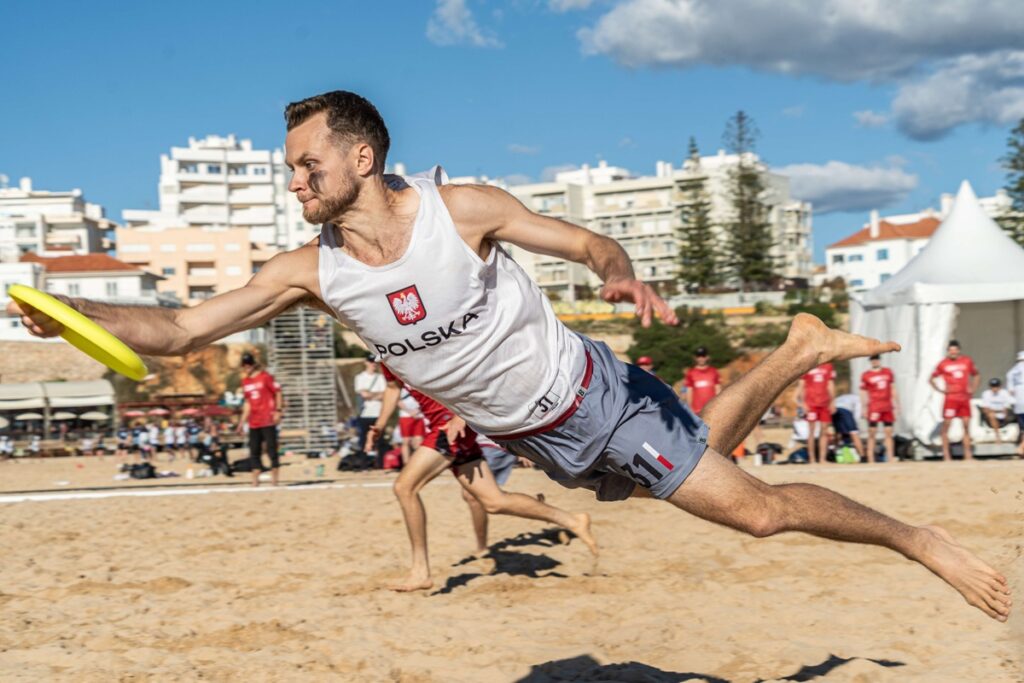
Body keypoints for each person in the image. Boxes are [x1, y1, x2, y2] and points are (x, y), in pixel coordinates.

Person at [8, 90, 1009, 621]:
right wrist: (75, 309)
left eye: (307, 163)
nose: (295, 181)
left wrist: (620, 274)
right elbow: (182, 329)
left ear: (361, 155)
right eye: (290, 169)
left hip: (597, 397)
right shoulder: (311, 270)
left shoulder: (464, 210)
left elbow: (587, 242)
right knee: (700, 466)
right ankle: (796, 349)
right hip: (538, 439)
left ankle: (917, 537)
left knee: (752, 510)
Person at [368, 364, 597, 591]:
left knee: (404, 487)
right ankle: (573, 521)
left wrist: (461, 414)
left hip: (449, 423)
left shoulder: (412, 344)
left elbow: (466, 368)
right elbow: (392, 387)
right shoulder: (383, 352)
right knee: (494, 501)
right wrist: (379, 425)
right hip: (445, 425)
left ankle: (420, 572)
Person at [237, 351, 285, 486]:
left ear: (253, 364)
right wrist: (241, 422)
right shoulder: (245, 382)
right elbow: (247, 403)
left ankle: (274, 477)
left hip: (268, 419)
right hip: (254, 421)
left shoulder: (265, 377)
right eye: (244, 365)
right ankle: (255, 479)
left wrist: (278, 410)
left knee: (271, 449)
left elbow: (278, 392)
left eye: (249, 364)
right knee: (254, 450)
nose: (247, 367)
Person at [930, 340, 980, 461]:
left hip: (964, 398)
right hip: (951, 399)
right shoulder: (943, 364)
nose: (953, 352)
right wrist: (941, 390)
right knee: (946, 425)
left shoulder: (967, 361)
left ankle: (968, 455)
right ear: (948, 351)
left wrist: (973, 388)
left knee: (966, 426)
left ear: (959, 350)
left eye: (955, 350)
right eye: (950, 350)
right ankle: (946, 455)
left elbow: (976, 374)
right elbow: (932, 378)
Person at [860, 354, 900, 463]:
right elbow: (863, 392)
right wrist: (864, 408)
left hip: (887, 406)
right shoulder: (866, 375)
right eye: (872, 359)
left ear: (879, 360)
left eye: (876, 359)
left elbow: (893, 388)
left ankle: (890, 457)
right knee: (872, 432)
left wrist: (897, 404)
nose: (875, 361)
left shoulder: (888, 372)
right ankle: (870, 458)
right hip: (874, 407)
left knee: (888, 432)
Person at [797, 363, 835, 464]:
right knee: (811, 431)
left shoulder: (828, 366)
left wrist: (832, 402)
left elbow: (830, 384)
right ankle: (812, 458)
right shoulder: (807, 365)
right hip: (811, 404)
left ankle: (822, 458)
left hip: (824, 404)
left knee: (824, 431)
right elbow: (801, 386)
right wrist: (803, 403)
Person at [354, 355, 386, 464]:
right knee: (363, 438)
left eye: (375, 362)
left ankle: (380, 463)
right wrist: (377, 395)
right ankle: (364, 463)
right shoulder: (360, 377)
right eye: (371, 361)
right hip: (365, 413)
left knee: (380, 439)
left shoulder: (380, 377)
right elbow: (364, 395)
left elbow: (384, 395)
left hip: (379, 412)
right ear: (366, 362)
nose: (374, 364)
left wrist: (370, 395)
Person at [683, 346, 721, 415]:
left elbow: (718, 389)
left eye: (703, 356)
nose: (701, 358)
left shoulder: (713, 371)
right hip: (697, 411)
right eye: (698, 356)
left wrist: (719, 405)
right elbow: (689, 391)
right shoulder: (690, 373)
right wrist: (690, 408)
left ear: (707, 357)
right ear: (695, 358)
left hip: (713, 409)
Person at [980, 378, 1015, 445]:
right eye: (993, 386)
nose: (995, 388)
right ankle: (997, 436)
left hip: (1004, 417)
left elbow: (1006, 408)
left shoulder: (1004, 393)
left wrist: (994, 410)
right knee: (991, 415)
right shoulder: (986, 394)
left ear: (1000, 386)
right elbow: (985, 409)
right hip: (990, 418)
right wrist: (998, 410)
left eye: (996, 386)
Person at [831, 391, 864, 461]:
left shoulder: (841, 397)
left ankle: (834, 453)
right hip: (845, 410)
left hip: (834, 409)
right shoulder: (858, 398)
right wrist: (855, 426)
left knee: (838, 433)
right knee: (854, 432)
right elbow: (857, 413)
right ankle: (862, 456)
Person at [1008, 350, 1024, 458]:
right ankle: (1021, 448)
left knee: (1022, 428)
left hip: (1018, 403)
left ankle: (1021, 449)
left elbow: (1010, 391)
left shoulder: (1012, 371)